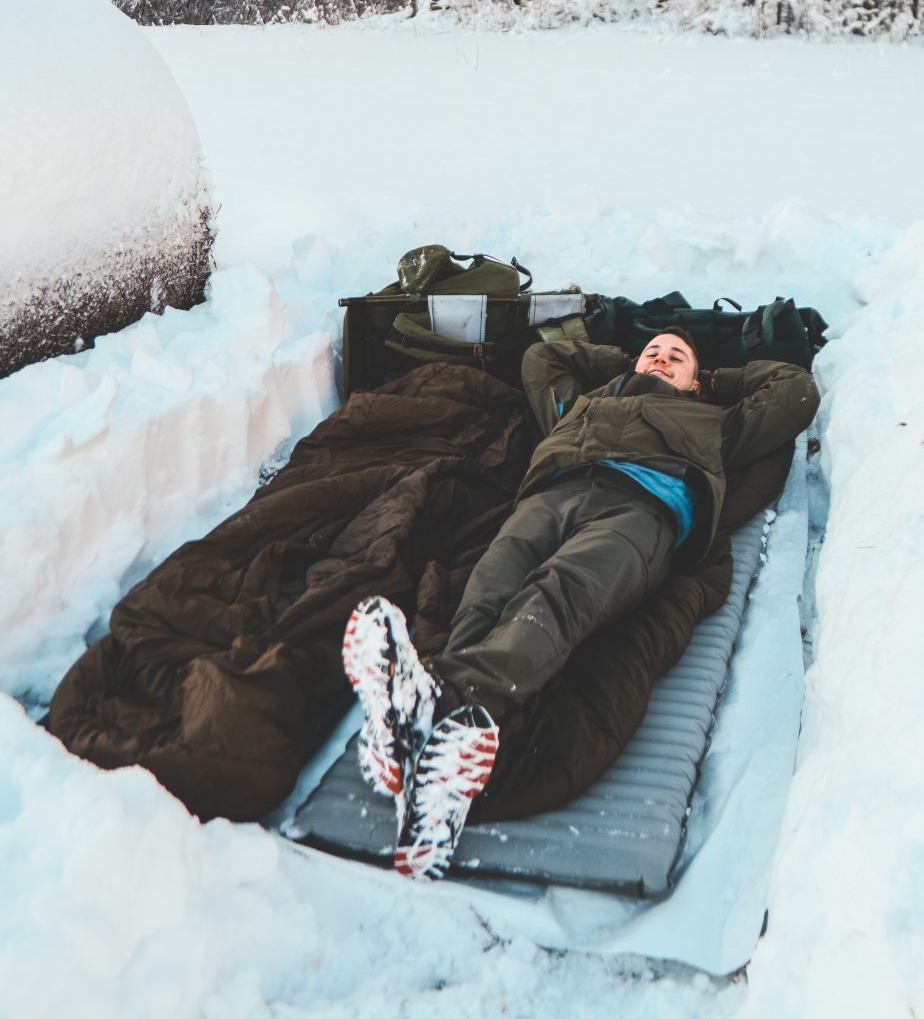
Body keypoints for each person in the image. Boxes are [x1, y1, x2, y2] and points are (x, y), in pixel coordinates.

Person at [342, 329, 820, 879]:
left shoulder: (717, 422)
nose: (661, 360)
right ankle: (440, 776)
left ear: (696, 380)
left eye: (677, 357)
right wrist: (624, 363)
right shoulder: (585, 403)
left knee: (558, 593)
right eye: (654, 352)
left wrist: (713, 379)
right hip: (549, 498)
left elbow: (796, 390)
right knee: (484, 599)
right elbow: (541, 356)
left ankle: (430, 710)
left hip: (640, 510)